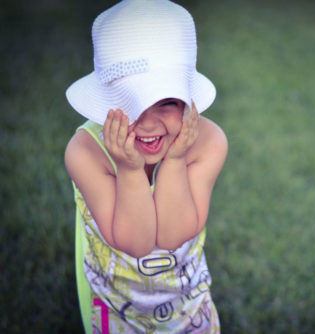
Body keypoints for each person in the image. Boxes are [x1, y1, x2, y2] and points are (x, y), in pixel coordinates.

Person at [64, 0, 227, 333]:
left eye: (166, 101)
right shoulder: (85, 153)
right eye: (129, 101)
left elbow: (170, 235)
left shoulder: (208, 142)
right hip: (116, 311)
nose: (148, 123)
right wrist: (129, 169)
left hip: (188, 307)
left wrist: (177, 158)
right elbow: (137, 242)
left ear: (186, 97)